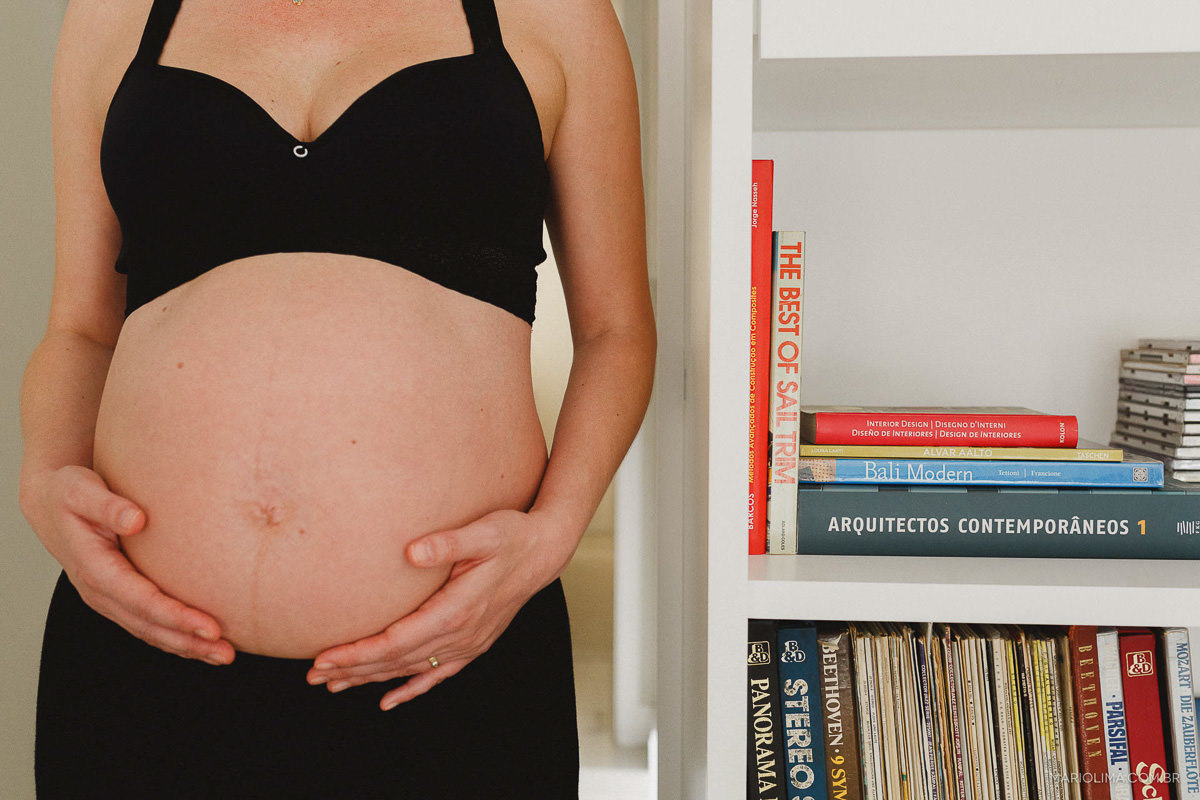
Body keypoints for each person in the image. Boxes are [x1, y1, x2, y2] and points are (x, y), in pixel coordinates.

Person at [17, 0, 654, 795]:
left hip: (451, 660)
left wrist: (553, 536)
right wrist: (44, 479)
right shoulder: (113, 13)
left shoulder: (556, 13)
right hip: (141, 657)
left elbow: (618, 332)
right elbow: (79, 330)